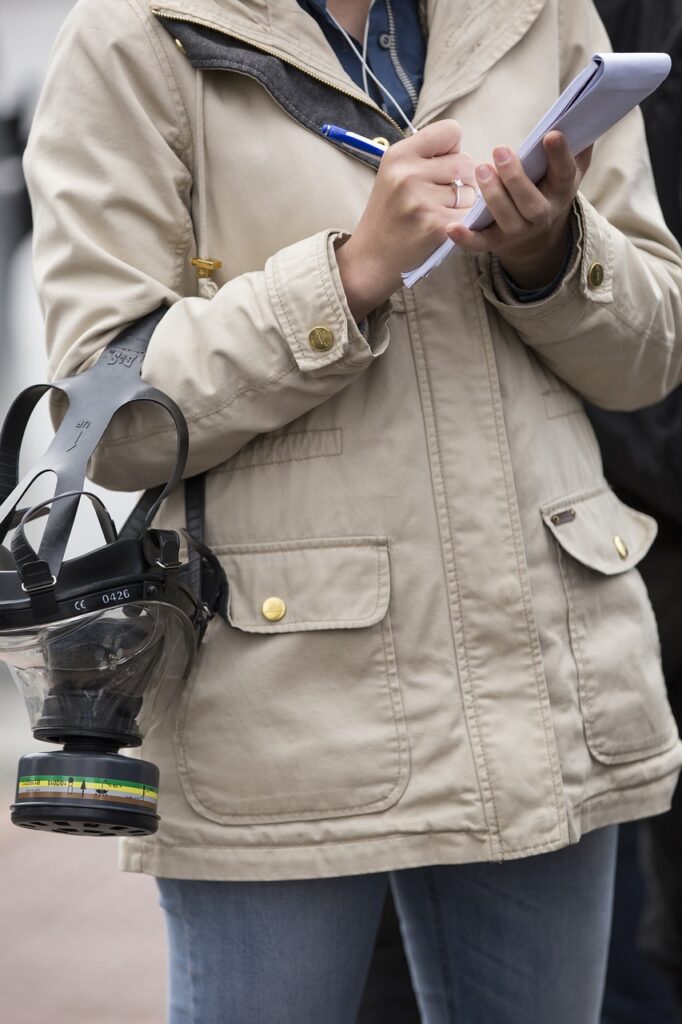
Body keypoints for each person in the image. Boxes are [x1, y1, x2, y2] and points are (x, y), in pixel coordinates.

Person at [22, 1, 682, 1021]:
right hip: (276, 706)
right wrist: (345, 275)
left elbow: (650, 361)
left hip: (544, 685)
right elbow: (110, 421)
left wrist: (551, 255)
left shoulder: (541, 11)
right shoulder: (132, 33)